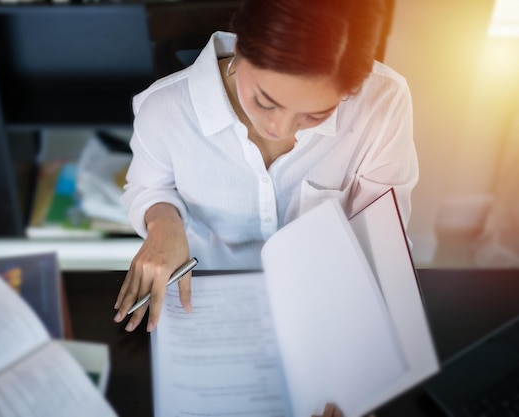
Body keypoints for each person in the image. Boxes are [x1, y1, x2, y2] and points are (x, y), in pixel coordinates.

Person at [114, 0, 418, 336]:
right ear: (240, 45)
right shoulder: (164, 108)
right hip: (206, 293)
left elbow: (381, 230)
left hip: (327, 298)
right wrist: (162, 224)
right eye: (264, 101)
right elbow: (147, 188)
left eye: (315, 114)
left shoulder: (382, 101)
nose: (281, 128)